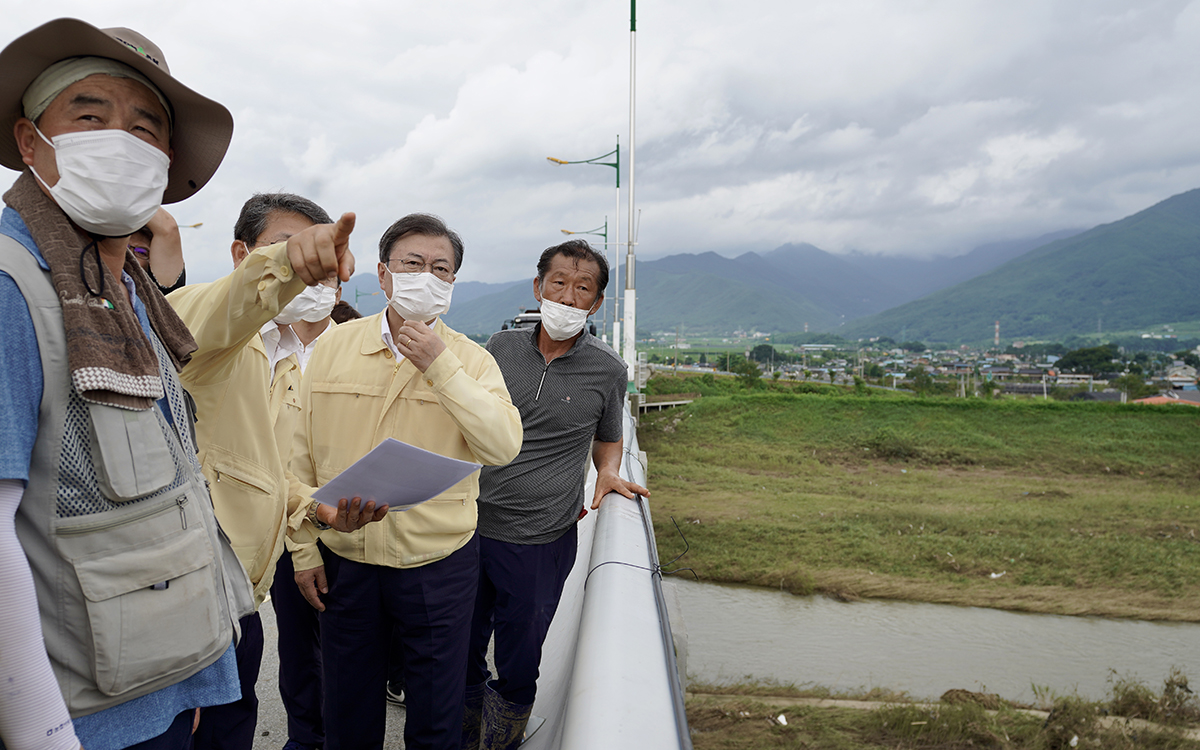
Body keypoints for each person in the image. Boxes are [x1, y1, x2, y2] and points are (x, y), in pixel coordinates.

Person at [0, 19, 258, 750]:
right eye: (89, 115)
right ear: (30, 141)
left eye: (147, 127)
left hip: (157, 684)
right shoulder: (14, 284)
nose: (121, 139)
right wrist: (41, 732)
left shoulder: (128, 291)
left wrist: (192, 684)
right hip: (81, 719)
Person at [288, 212, 523, 750]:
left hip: (438, 561)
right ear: (383, 273)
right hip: (347, 555)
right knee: (347, 707)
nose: (427, 276)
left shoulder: (472, 360)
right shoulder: (334, 347)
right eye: (412, 263)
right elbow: (297, 455)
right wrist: (302, 549)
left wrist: (441, 368)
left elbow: (502, 446)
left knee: (436, 712)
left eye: (441, 269)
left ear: (453, 284)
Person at [167, 192, 382, 750]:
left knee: (235, 725)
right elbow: (227, 306)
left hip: (238, 596)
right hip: (183, 593)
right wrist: (288, 262)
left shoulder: (295, 351)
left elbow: (251, 463)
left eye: (317, 257)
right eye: (286, 248)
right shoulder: (203, 323)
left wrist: (312, 504)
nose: (308, 269)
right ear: (241, 253)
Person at [463, 239, 649, 749]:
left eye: (582, 288)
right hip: (470, 526)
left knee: (521, 655)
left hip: (540, 539)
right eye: (559, 283)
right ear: (538, 286)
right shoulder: (499, 349)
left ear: (596, 303)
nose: (567, 297)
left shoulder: (608, 370)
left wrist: (608, 471)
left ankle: (500, 740)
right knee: (461, 643)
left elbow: (609, 435)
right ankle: (461, 733)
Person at [128, 206, 186, 295]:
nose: (129, 255)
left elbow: (167, 228)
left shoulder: (155, 290)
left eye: (141, 252)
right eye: (125, 247)